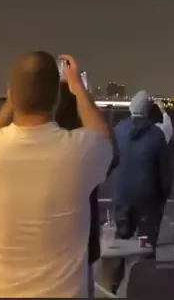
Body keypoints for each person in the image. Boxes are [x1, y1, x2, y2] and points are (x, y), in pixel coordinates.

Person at [0, 52, 113, 298]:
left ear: (12, 95)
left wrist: (12, 102)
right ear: (56, 98)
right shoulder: (79, 152)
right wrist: (77, 88)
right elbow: (104, 137)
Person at [55, 81, 104, 298]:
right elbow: (107, 143)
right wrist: (83, 94)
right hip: (82, 243)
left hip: (48, 245)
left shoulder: (44, 143)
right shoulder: (86, 145)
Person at [112, 90, 172, 250]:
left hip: (121, 196)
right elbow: (165, 172)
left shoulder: (117, 130)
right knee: (146, 246)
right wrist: (163, 196)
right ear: (147, 111)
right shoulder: (157, 134)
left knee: (120, 244)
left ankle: (117, 264)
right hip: (148, 199)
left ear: (131, 108)